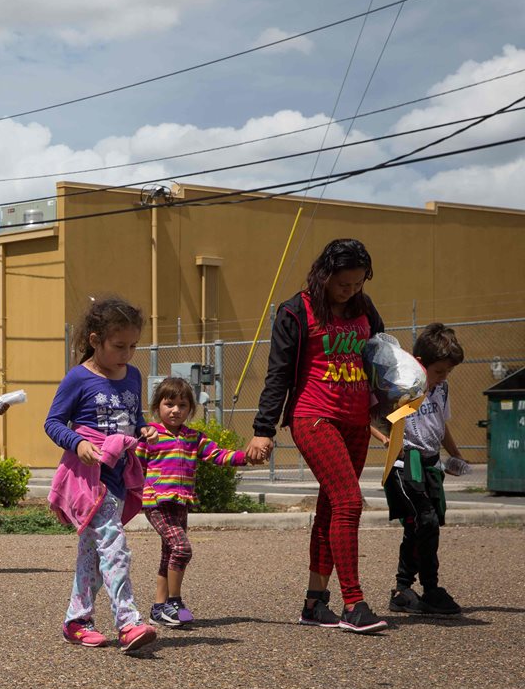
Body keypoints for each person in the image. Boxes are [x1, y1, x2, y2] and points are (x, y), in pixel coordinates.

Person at [245, 238, 389, 633]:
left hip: (356, 420)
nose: (351, 290)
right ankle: (354, 603)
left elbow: (380, 359)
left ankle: (314, 603)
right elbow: (278, 373)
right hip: (313, 416)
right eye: (344, 284)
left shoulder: (365, 308)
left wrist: (390, 409)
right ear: (324, 276)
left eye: (358, 283)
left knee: (331, 509)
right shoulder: (296, 310)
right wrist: (263, 429)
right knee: (349, 502)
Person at [44, 296, 156, 653]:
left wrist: (145, 428)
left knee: (92, 553)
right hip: (89, 480)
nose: (127, 354)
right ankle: (128, 621)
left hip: (120, 475)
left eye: (133, 346)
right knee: (114, 546)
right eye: (119, 346)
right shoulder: (78, 377)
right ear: (95, 340)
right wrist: (77, 443)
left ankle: (77, 621)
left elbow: (134, 418)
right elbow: (53, 422)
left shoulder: (133, 376)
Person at [136, 377, 246, 627]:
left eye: (182, 405)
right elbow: (136, 467)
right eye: (169, 404)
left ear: (190, 409)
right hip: (156, 503)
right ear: (157, 406)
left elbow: (217, 454)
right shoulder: (150, 435)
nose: (176, 410)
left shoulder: (193, 437)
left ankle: (158, 609)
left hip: (181, 503)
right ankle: (175, 603)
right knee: (182, 548)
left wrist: (245, 456)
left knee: (169, 553)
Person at [382, 323, 467, 615]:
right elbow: (375, 417)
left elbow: (441, 425)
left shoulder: (441, 389)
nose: (444, 377)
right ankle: (430, 588)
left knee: (421, 526)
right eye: (439, 371)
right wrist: (386, 439)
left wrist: (456, 455)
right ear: (420, 363)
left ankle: (403, 590)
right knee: (425, 521)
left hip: (431, 465)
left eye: (448, 372)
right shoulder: (404, 389)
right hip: (407, 465)